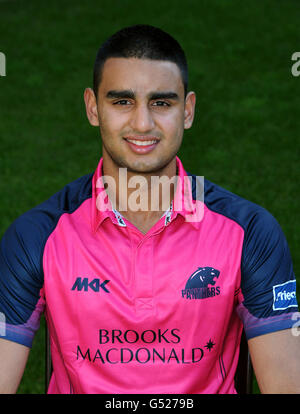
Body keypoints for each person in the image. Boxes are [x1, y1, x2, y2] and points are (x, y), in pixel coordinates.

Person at [0, 24, 299, 395]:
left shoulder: (250, 232)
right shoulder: (36, 236)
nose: (143, 123)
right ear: (93, 108)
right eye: (122, 101)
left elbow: (286, 385)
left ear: (188, 111)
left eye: (161, 102)